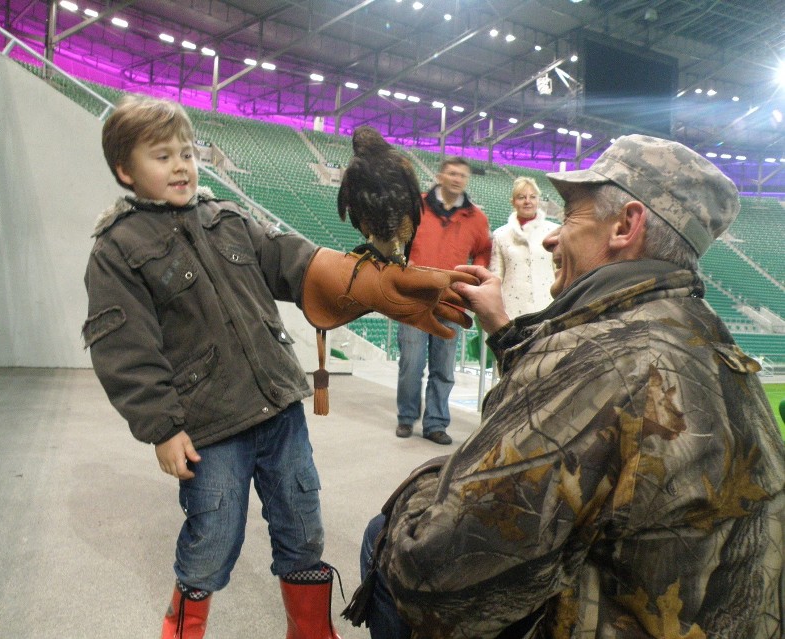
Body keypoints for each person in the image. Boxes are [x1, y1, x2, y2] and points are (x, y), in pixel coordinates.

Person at [347, 134, 785, 639]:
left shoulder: (604, 360)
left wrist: (436, 484)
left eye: (571, 218)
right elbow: (594, 414)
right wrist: (506, 332)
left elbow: (432, 569)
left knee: (385, 540)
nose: (552, 239)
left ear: (626, 225)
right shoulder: (703, 334)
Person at [82, 94, 476, 639]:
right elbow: (125, 351)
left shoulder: (229, 219)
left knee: (303, 523)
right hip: (209, 424)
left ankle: (310, 631)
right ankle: (183, 629)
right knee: (213, 537)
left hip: (279, 408)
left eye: (188, 152)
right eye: (162, 156)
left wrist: (374, 285)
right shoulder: (117, 249)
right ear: (125, 170)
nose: (181, 165)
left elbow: (297, 262)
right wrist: (162, 429)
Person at [396, 156, 492, 445]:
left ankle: (436, 423)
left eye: (462, 175)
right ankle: (406, 417)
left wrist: (470, 281)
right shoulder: (416, 207)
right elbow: (399, 241)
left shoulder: (477, 218)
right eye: (451, 173)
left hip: (451, 302)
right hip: (414, 298)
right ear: (439, 176)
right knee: (411, 363)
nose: (457, 178)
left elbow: (483, 253)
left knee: (444, 368)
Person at [489, 176, 558, 319]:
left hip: (547, 306)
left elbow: (559, 272)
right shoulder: (500, 235)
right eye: (521, 197)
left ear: (538, 201)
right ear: (513, 202)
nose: (528, 201)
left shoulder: (554, 232)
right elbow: (496, 276)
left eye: (532, 197)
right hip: (511, 309)